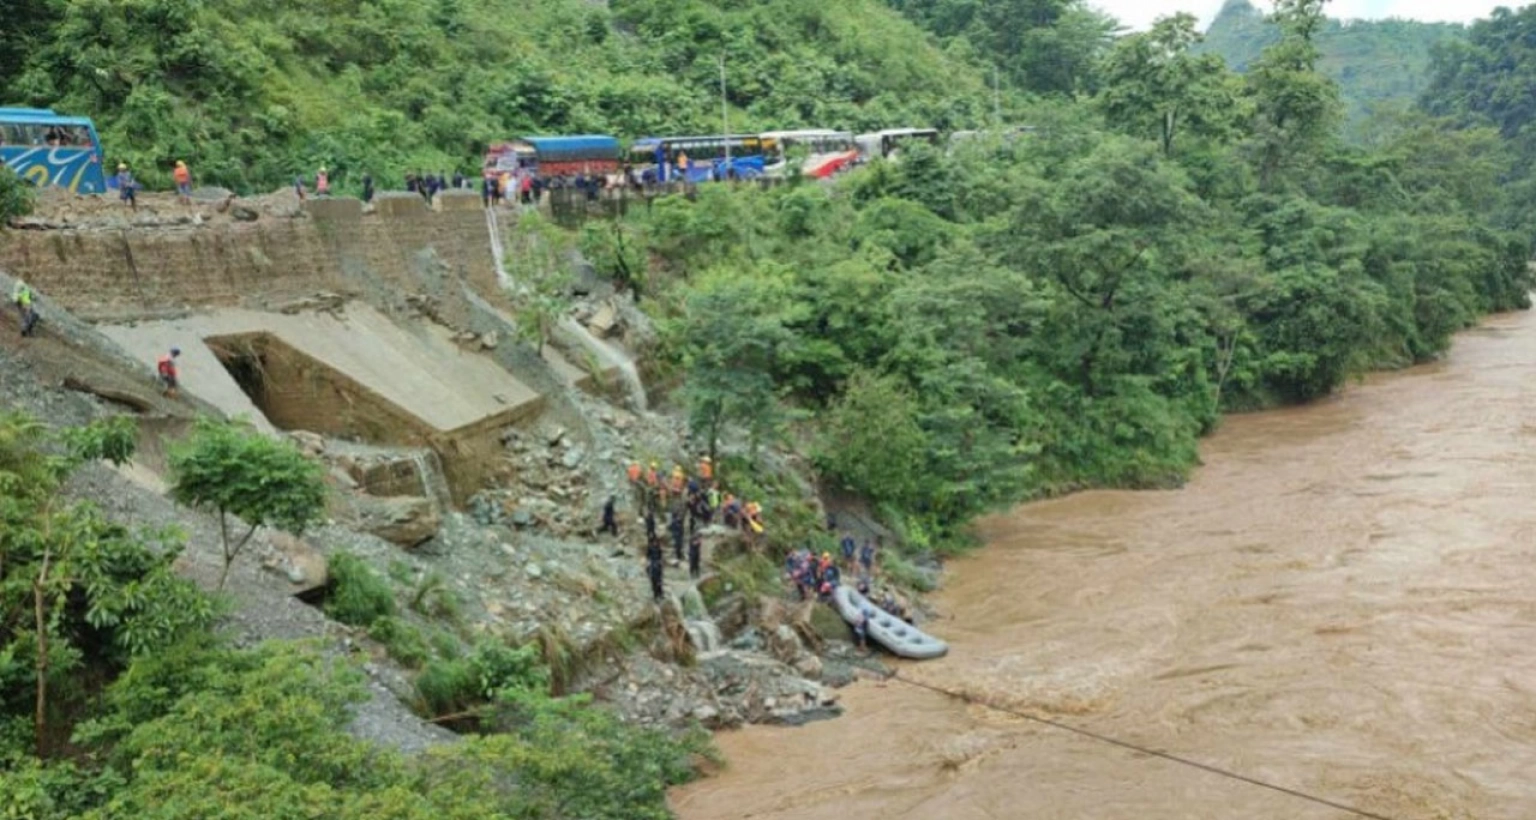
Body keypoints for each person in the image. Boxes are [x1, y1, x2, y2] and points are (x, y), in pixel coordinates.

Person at [646, 534, 665, 603]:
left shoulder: (659, 548)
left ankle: (660, 593)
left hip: (658, 565)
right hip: (653, 565)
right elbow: (648, 558)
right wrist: (649, 565)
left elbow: (661, 557)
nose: (655, 543)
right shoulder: (650, 548)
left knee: (659, 581)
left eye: (656, 541)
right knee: (654, 581)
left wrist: (660, 563)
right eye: (654, 541)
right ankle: (655, 595)